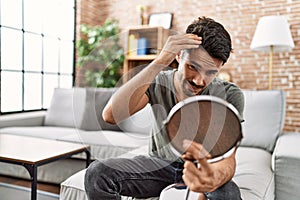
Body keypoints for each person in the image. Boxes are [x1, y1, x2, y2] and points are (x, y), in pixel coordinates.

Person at [84, 16, 244, 200]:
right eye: (193, 67)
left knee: (229, 194)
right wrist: (160, 60)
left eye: (211, 73)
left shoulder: (229, 95)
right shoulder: (158, 82)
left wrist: (212, 179)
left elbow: (228, 160)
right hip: (158, 166)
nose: (199, 81)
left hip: (205, 169)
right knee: (98, 173)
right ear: (178, 56)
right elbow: (111, 115)